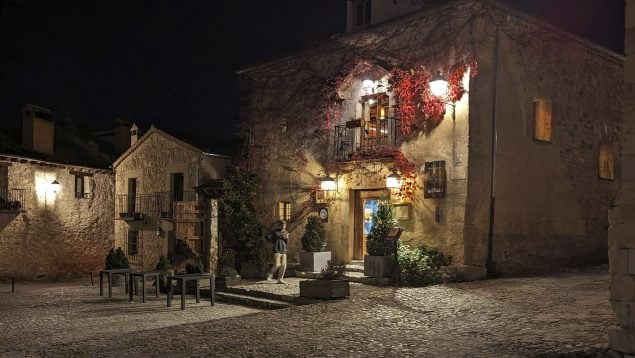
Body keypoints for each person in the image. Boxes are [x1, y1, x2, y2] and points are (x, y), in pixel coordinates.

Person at [266, 220, 289, 284]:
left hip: (283, 250)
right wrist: (273, 243)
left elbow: (286, 242)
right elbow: (267, 236)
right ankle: (270, 273)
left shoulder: (285, 232)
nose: (283, 226)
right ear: (279, 225)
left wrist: (286, 238)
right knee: (277, 264)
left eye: (284, 225)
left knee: (284, 265)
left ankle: (280, 279)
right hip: (277, 249)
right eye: (282, 225)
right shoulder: (274, 232)